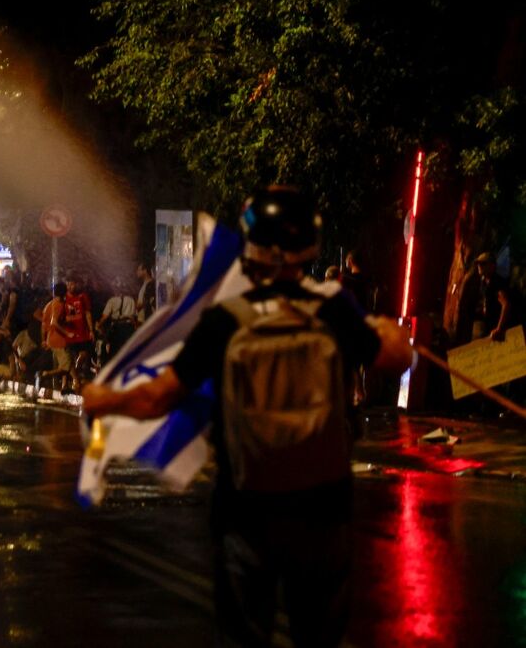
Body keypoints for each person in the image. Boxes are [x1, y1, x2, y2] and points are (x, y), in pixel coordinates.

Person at [83, 186, 412, 647]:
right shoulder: (333, 311)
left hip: (247, 510)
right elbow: (398, 360)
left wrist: (102, 399)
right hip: (324, 511)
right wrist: (384, 331)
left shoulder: (225, 321)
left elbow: (156, 399)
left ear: (251, 247)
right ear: (310, 247)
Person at [474, 252, 521, 341]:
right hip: (490, 330)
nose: (479, 266)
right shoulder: (484, 283)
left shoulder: (496, 282)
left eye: (483, 263)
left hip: (503, 332)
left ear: (492, 266)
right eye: (478, 264)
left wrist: (499, 328)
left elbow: (506, 304)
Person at [95, 278, 137, 365]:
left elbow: (105, 316)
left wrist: (98, 325)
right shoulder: (131, 300)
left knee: (114, 350)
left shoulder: (112, 301)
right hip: (129, 327)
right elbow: (133, 316)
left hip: (117, 328)